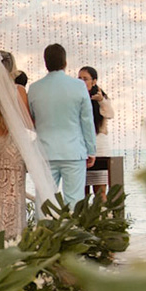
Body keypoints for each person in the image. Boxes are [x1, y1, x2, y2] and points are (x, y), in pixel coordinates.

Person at [0, 50, 56, 239]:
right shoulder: (18, 91)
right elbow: (27, 124)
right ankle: (13, 240)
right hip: (13, 148)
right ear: (11, 68)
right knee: (14, 197)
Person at [27, 43, 97, 200]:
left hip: (44, 151)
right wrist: (91, 149)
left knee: (45, 200)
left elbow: (31, 120)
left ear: (45, 63)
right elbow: (87, 120)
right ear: (65, 63)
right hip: (73, 151)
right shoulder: (78, 86)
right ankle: (72, 225)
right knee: (74, 201)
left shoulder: (34, 88)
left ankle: (44, 225)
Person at [79, 67, 116, 197]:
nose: (82, 81)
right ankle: (82, 217)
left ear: (94, 81)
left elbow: (110, 113)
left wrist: (101, 101)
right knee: (81, 194)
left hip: (99, 148)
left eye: (85, 79)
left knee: (100, 193)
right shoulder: (77, 97)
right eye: (80, 79)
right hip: (81, 149)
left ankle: (103, 217)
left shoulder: (102, 98)